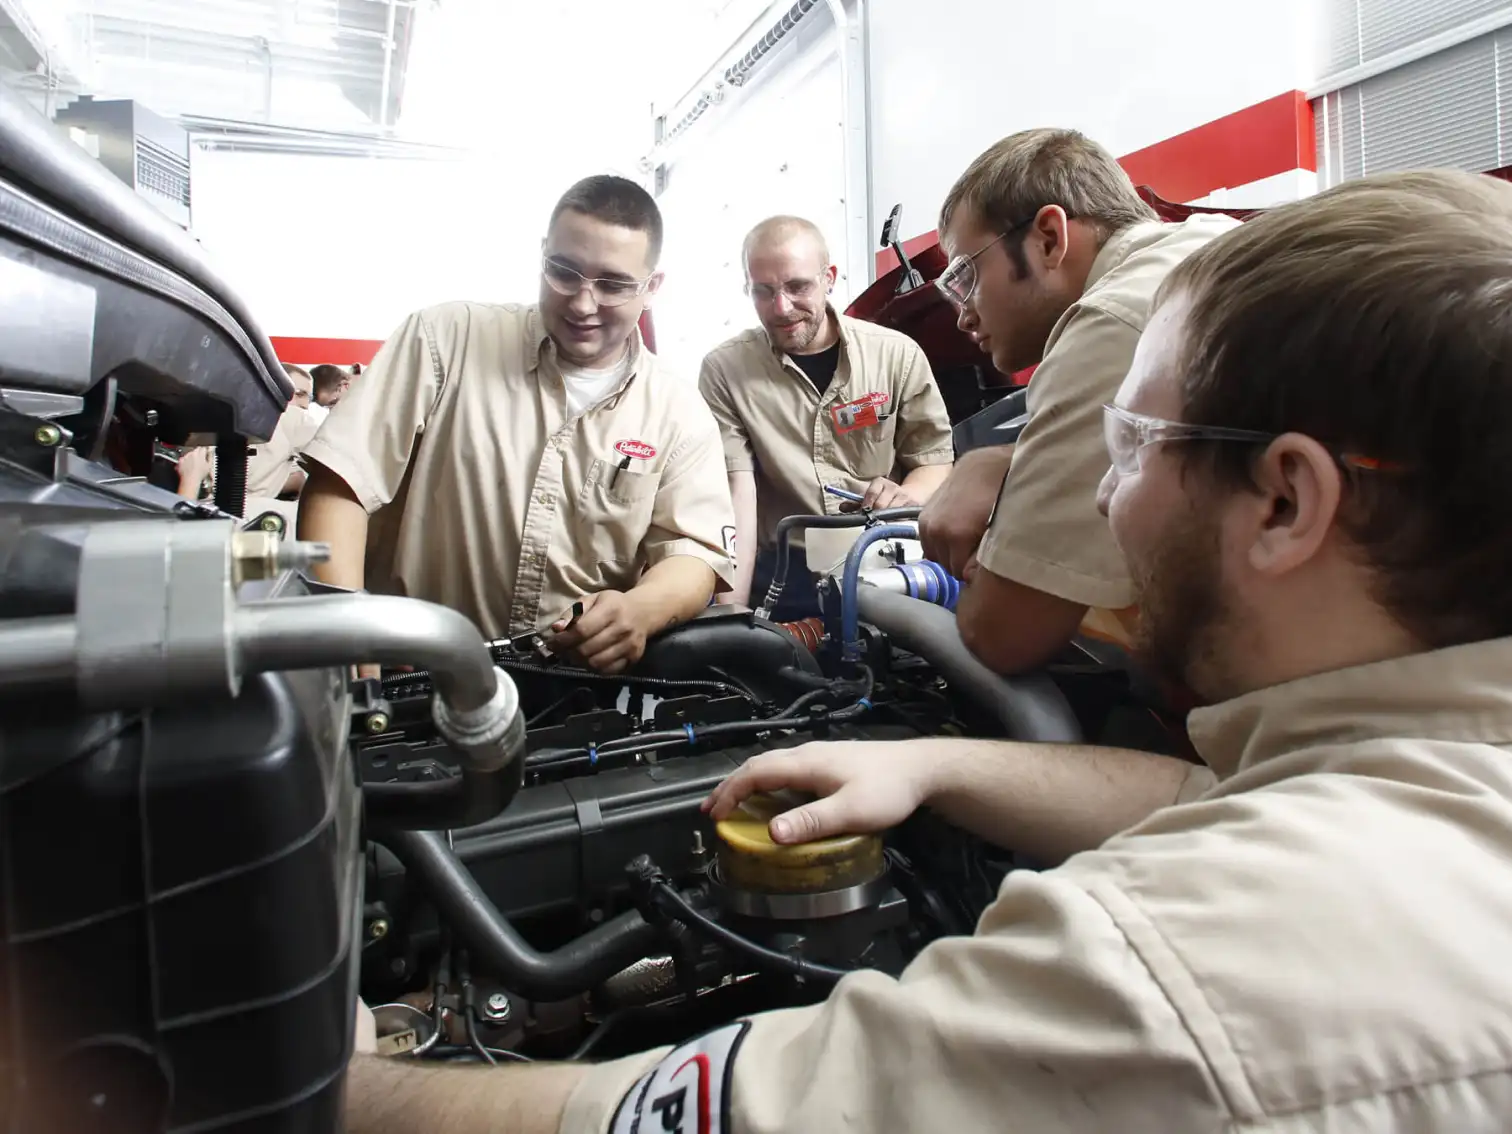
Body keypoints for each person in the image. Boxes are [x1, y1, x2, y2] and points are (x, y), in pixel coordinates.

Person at [342, 169, 1512, 1131]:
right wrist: (938, 765)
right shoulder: (1437, 776)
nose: (1101, 493)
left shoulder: (1157, 970)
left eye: (1130, 442)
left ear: (1285, 502)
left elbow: (635, 1118)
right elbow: (1210, 796)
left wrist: (325, 1082)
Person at [298, 176, 735, 672]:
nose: (583, 303)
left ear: (652, 287)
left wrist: (640, 609)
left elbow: (694, 554)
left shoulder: (677, 411)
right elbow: (340, 486)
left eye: (612, 284)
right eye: (564, 272)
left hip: (572, 698)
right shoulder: (444, 341)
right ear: (543, 254)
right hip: (414, 679)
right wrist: (349, 647)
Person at [920, 129, 1238, 673]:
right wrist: (1006, 461)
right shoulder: (1207, 244)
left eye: (966, 275)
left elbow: (1002, 635)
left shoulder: (1114, 322)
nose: (963, 314)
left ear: (1048, 237)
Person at [698, 216, 954, 615]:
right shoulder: (725, 371)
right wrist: (732, 612)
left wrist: (905, 498)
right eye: (763, 291)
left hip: (883, 559)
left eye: (798, 286)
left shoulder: (896, 355)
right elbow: (738, 497)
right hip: (786, 570)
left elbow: (934, 461)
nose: (781, 308)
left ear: (829, 278)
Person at [245, 364, 323, 502]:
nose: (305, 404)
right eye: (299, 394)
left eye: (309, 398)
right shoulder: (294, 419)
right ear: (274, 388)